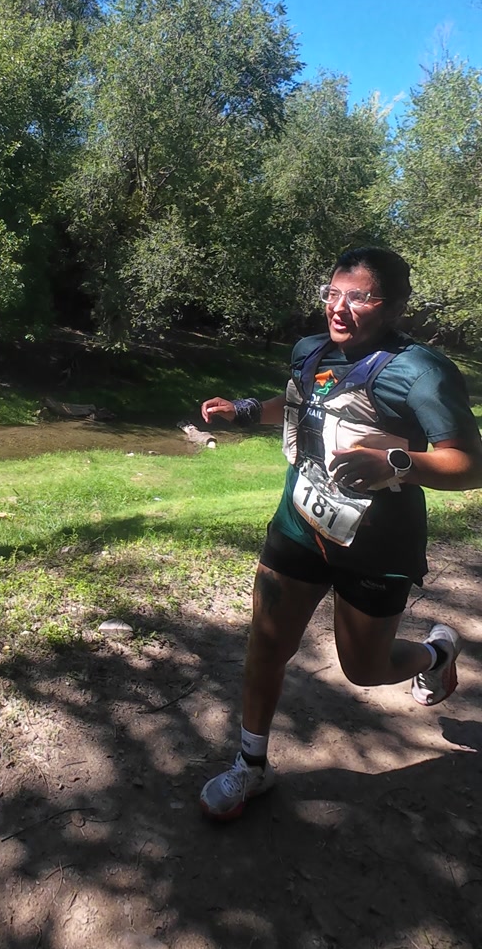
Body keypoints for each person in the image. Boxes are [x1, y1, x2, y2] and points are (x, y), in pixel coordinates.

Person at [199, 246, 482, 822]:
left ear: (395, 306)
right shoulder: (311, 350)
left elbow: (471, 465)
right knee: (266, 646)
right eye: (333, 293)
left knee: (364, 669)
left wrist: (395, 464)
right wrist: (245, 411)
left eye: (359, 297)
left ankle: (436, 652)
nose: (339, 307)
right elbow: (301, 404)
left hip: (377, 546)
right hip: (299, 526)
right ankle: (252, 764)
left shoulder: (423, 372)